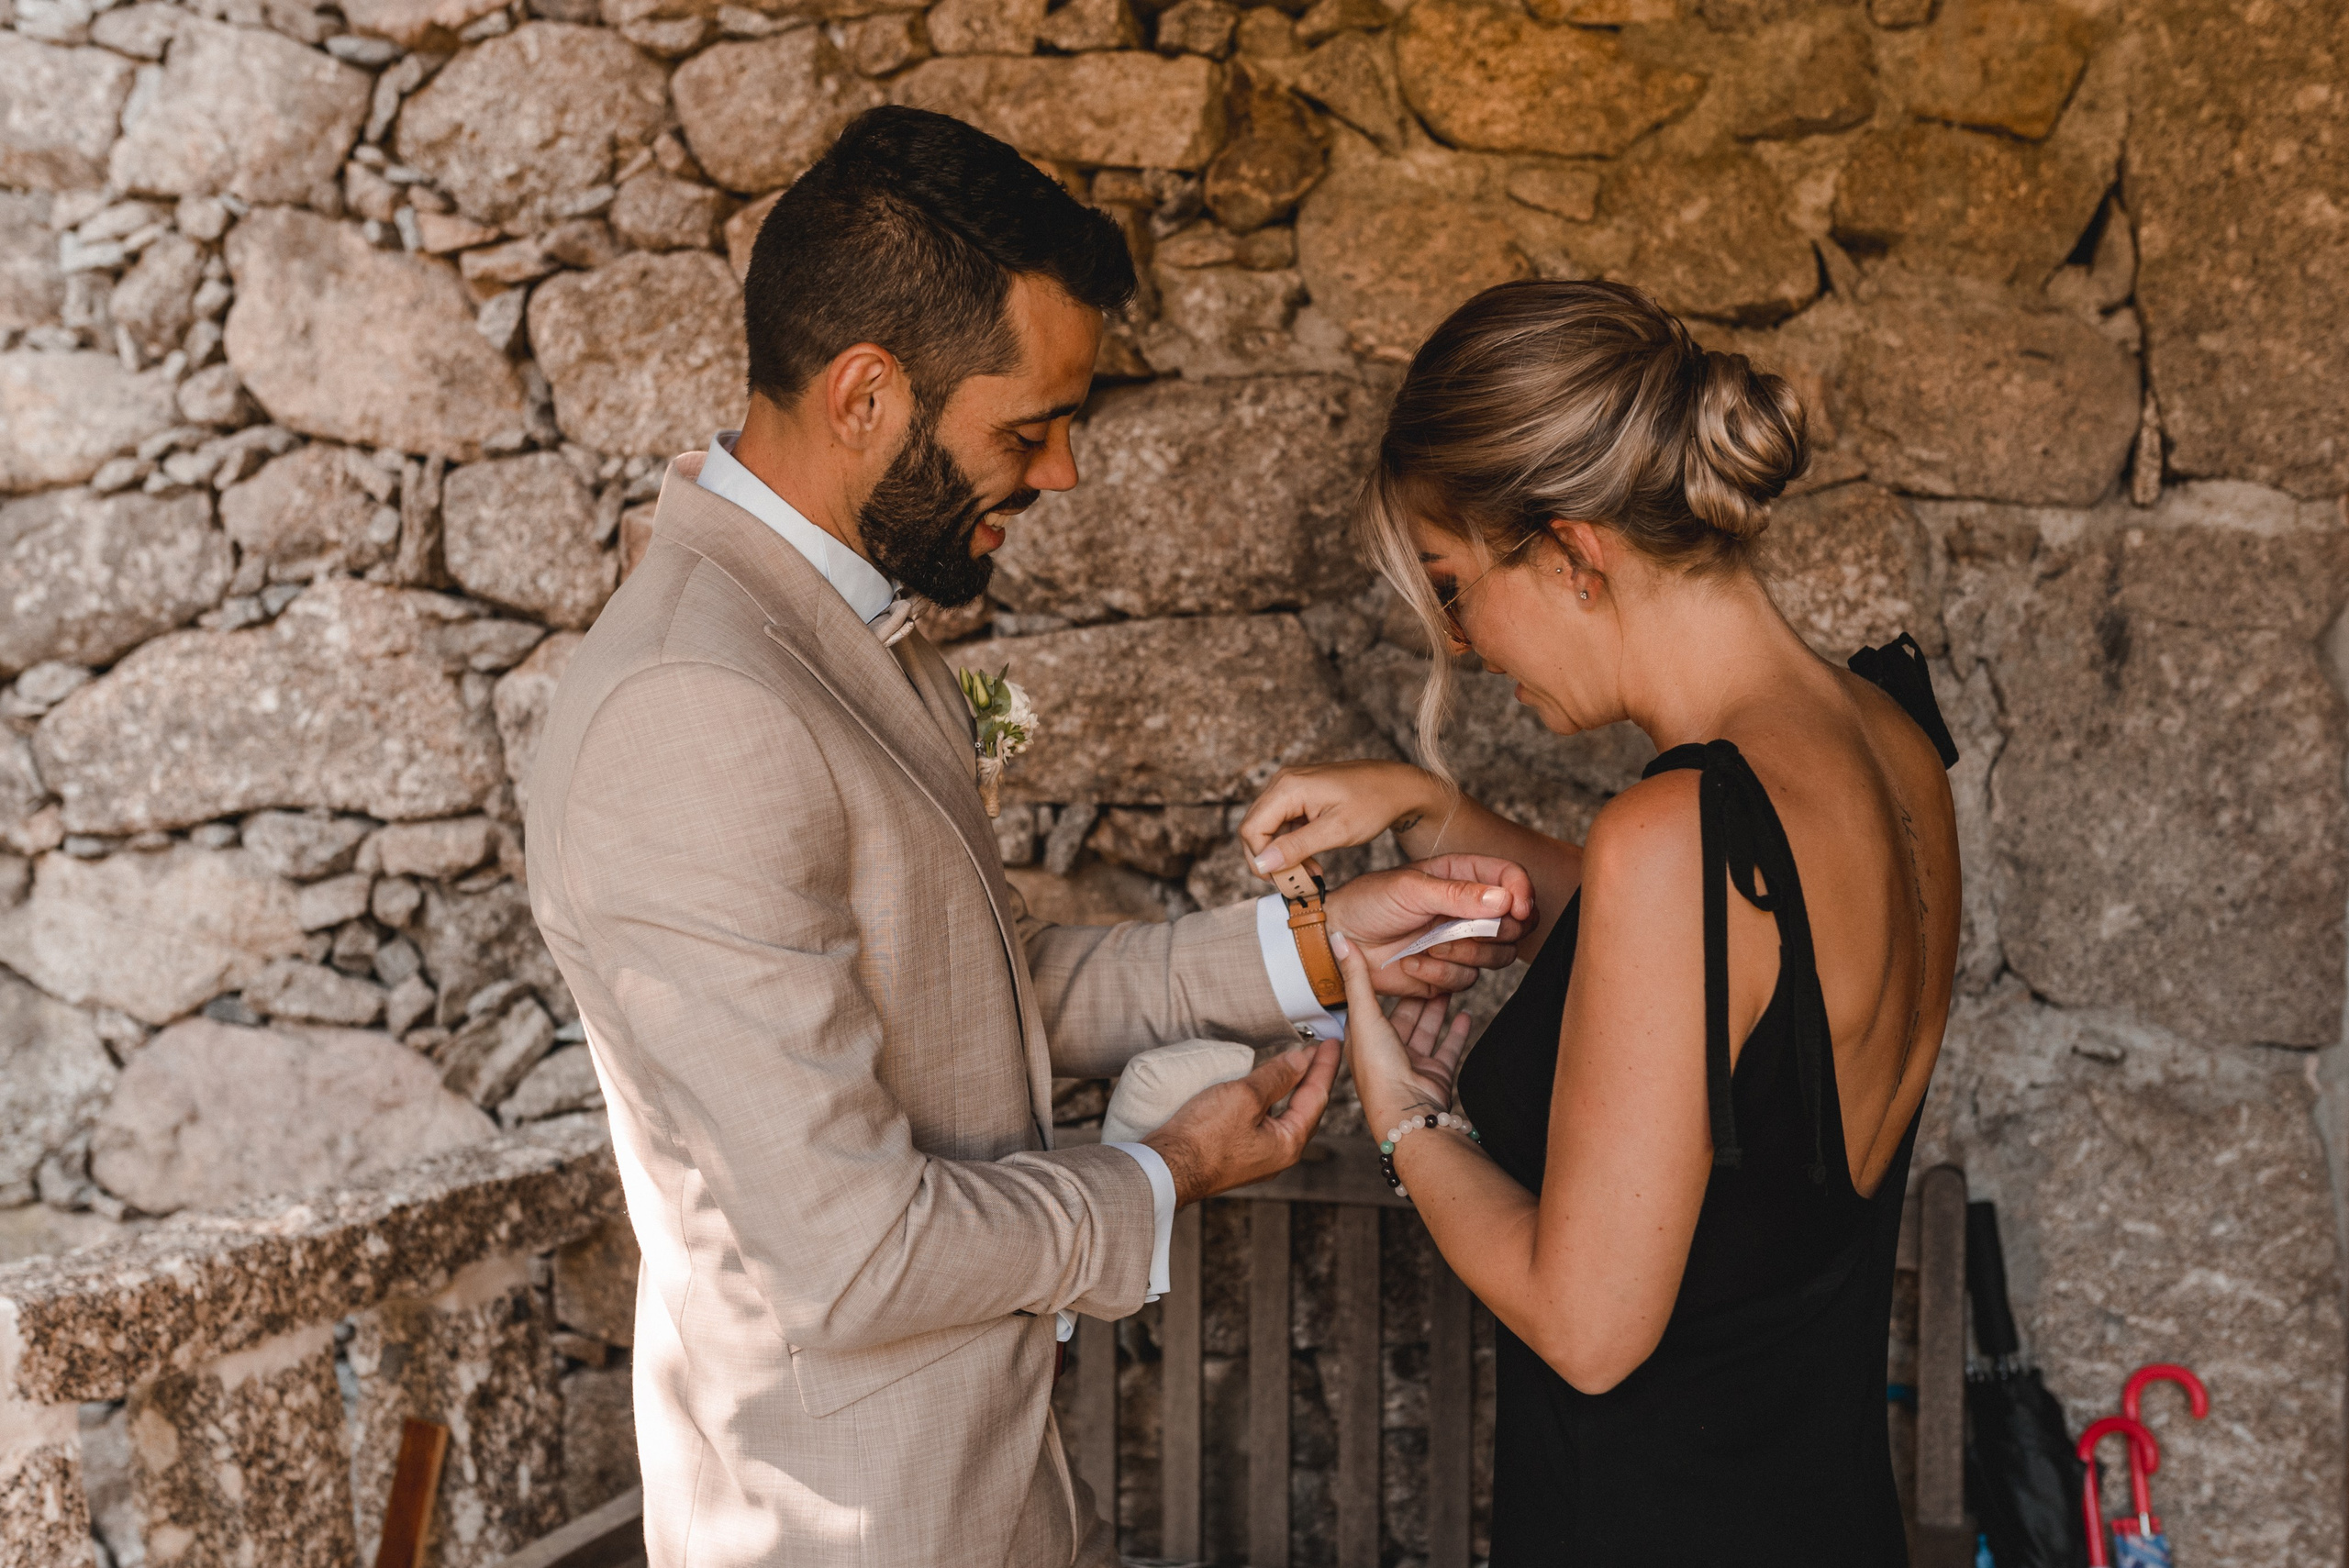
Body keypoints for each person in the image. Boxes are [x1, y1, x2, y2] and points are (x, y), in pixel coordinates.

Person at [523, 106, 1532, 1568]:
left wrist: (1316, 941)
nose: (1062, 474)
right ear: (867, 394)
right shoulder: (693, 704)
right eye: (1029, 426)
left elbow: (967, 988)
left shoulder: (846, 640)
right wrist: (1166, 1172)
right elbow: (853, 1252)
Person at [1239, 279, 1962, 1564]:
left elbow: (1587, 1322)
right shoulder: (1890, 736)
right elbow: (1749, 967)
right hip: (1829, 1516)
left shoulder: (1679, 837)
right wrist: (1428, 809)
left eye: (1456, 586)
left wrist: (1403, 1112)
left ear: (1574, 552)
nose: (1459, 645)